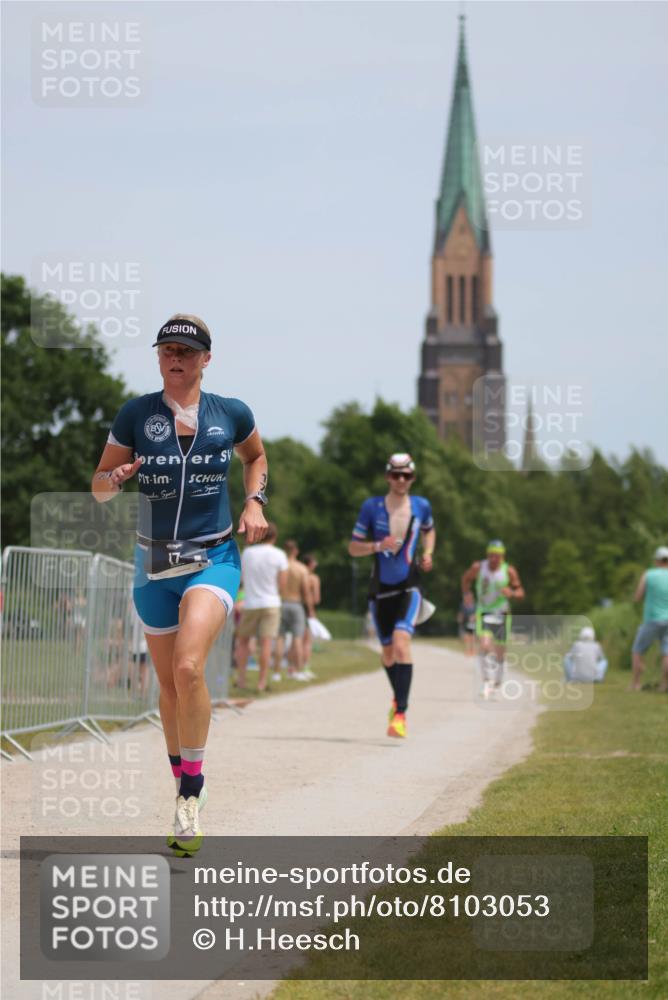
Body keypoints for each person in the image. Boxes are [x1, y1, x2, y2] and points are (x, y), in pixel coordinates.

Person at [92, 313, 268, 856]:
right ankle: (186, 783)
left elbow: (256, 457)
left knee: (190, 666)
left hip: (213, 558)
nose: (174, 358)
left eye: (186, 352)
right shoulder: (136, 415)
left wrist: (255, 500)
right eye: (166, 349)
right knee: (168, 686)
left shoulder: (231, 414)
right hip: (152, 565)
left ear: (205, 360)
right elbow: (97, 488)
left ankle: (190, 788)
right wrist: (114, 480)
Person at [348, 453, 435, 738]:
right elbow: (353, 548)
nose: (401, 480)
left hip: (410, 585)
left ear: (412, 478)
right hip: (380, 589)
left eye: (406, 475)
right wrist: (377, 546)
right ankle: (397, 701)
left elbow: (429, 531)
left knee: (401, 644)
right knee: (387, 655)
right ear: (388, 476)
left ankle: (400, 713)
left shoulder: (421, 505)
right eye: (396, 475)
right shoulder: (371, 507)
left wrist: (429, 553)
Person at [461, 540, 525, 700]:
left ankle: (498, 679)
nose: (494, 559)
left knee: (499, 652)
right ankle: (486, 681)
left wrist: (511, 592)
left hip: (502, 613)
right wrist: (467, 594)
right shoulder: (478, 567)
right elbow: (465, 579)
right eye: (491, 555)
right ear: (487, 555)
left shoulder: (509, 571)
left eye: (497, 556)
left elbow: (520, 592)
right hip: (483, 611)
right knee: (484, 645)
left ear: (502, 556)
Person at [235, 523, 287, 692]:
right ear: (275, 537)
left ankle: (241, 679)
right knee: (266, 643)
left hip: (250, 602)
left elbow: (241, 579)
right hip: (271, 602)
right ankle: (262, 682)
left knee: (243, 641)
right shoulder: (280, 554)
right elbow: (283, 584)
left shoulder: (248, 553)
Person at [275, 540, 315, 681]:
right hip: (296, 604)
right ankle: (297, 670)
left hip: (281, 603)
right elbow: (306, 592)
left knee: (280, 638)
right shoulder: (301, 569)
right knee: (297, 638)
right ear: (295, 551)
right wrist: (310, 609)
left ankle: (277, 673)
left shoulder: (280, 567)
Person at [631, 545, 668, 692]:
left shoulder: (649, 574)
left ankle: (636, 684)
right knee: (666, 652)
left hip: (652, 619)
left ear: (657, 560)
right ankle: (665, 684)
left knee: (637, 650)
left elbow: (638, 596)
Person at [301, 553, 322, 680]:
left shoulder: (299, 574)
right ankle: (306, 668)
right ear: (310, 564)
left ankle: (293, 668)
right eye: (314, 562)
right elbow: (316, 599)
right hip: (309, 611)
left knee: (296, 640)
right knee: (307, 642)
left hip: (297, 606)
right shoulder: (314, 578)